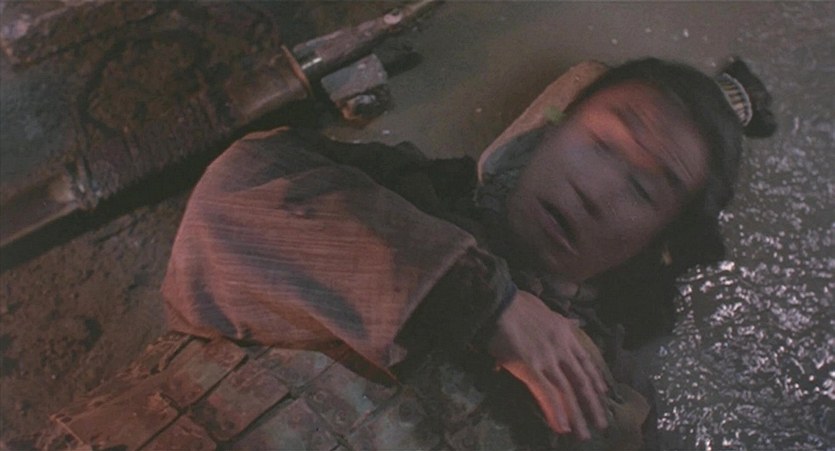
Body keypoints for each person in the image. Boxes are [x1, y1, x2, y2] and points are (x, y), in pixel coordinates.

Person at [161, 57, 775, 442]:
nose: (595, 190)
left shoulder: (609, 404)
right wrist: (482, 300)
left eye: (642, 190)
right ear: (553, 128)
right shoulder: (398, 188)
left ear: (657, 244)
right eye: (602, 142)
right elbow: (230, 201)